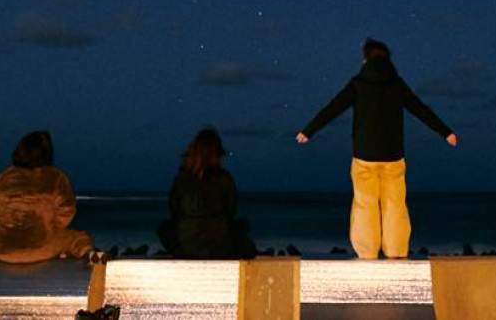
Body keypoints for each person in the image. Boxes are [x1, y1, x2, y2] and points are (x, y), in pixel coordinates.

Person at [295, 37, 457, 260]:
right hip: (393, 156)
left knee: (365, 204)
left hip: (364, 156)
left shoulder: (358, 84)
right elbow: (420, 109)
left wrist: (308, 131)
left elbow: (333, 108)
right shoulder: (397, 84)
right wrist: (446, 132)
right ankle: (396, 251)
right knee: (395, 205)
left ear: (365, 59)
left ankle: (368, 252)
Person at [0, 130, 95, 264]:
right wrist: (50, 228)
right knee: (78, 238)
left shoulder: (4, 177)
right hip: (41, 248)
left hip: (5, 250)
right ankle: (89, 254)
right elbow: (67, 210)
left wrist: (6, 227)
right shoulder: (56, 177)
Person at [157, 127, 256, 258]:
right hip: (219, 244)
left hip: (187, 241)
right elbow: (231, 210)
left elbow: (174, 210)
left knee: (164, 227)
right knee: (241, 226)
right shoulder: (224, 179)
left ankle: (186, 250)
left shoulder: (182, 179)